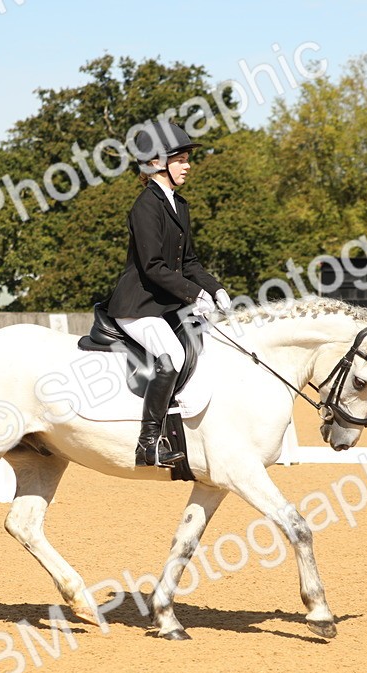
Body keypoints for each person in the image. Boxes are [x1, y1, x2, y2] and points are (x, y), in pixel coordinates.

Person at [105, 120, 230, 468]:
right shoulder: (146, 205)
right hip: (137, 305)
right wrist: (194, 296)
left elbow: (188, 262)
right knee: (172, 356)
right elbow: (153, 266)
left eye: (188, 158)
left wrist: (215, 288)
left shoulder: (180, 204)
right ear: (158, 162)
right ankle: (147, 445)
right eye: (181, 158)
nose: (188, 165)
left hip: (163, 303)